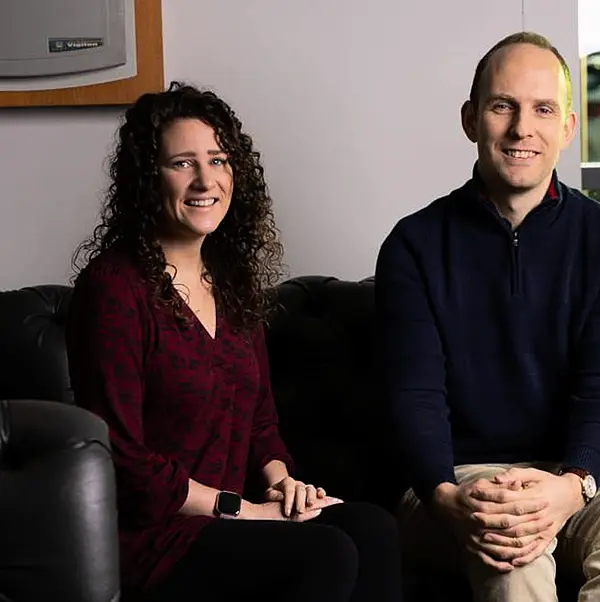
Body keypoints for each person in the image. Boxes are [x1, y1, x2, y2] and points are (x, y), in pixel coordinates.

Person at [66, 82, 402, 602]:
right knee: (325, 554)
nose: (206, 180)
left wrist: (281, 484)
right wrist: (242, 510)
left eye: (219, 160)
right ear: (146, 177)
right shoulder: (114, 288)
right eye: (182, 163)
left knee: (373, 529)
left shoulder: (230, 283)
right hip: (152, 539)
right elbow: (121, 457)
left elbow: (259, 421)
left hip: (232, 519)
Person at [375, 31, 600, 601]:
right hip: (454, 484)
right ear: (470, 120)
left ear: (567, 127)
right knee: (511, 545)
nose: (522, 129)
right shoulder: (414, 244)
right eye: (502, 106)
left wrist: (572, 485)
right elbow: (414, 396)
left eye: (542, 109)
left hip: (579, 481)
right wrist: (444, 496)